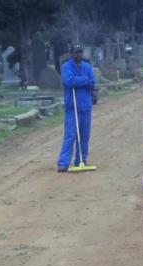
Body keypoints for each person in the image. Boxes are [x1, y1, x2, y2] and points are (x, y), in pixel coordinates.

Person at [57, 44, 95, 172]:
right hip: (72, 107)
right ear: (71, 53)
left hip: (85, 106)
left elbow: (92, 81)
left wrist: (78, 80)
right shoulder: (66, 67)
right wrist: (84, 79)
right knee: (70, 135)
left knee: (84, 136)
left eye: (80, 52)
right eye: (76, 52)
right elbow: (69, 81)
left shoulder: (87, 66)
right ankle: (63, 162)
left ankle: (81, 160)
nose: (78, 54)